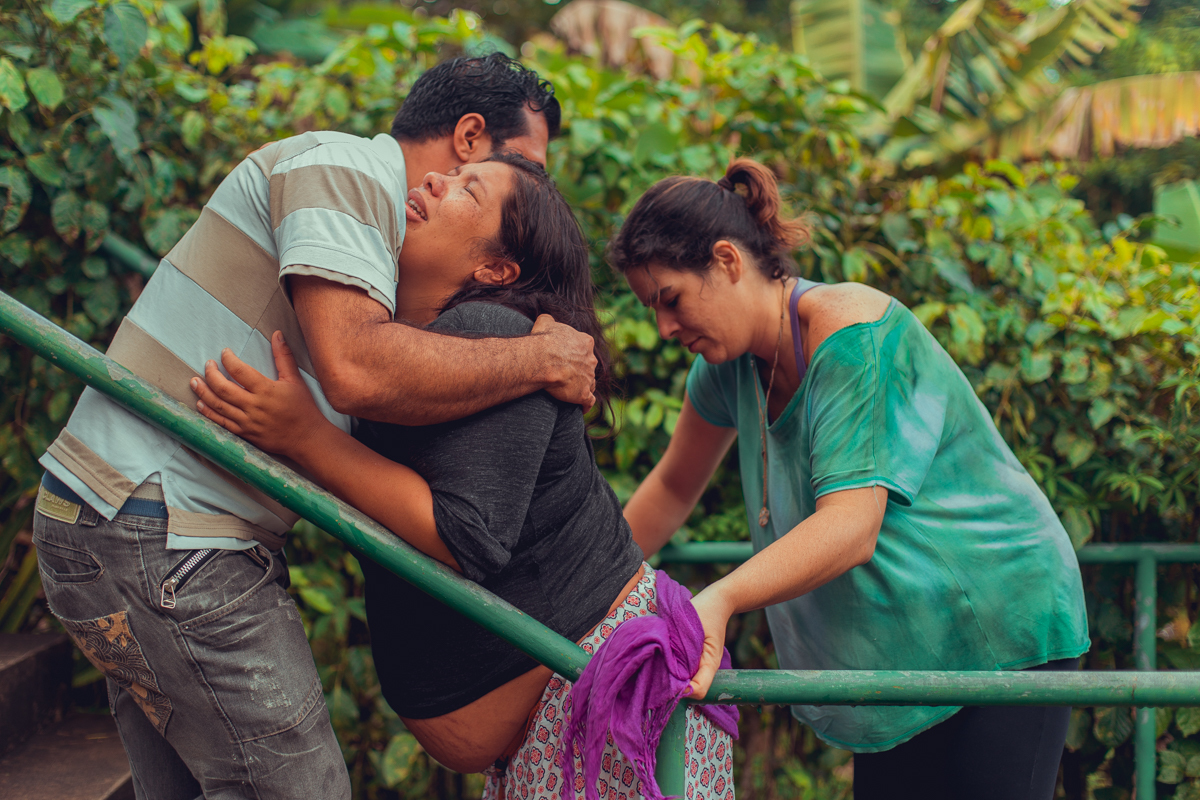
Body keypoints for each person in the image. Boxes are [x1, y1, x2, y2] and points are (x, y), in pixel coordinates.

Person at [31, 54, 597, 800]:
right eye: (517, 166)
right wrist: (537, 358)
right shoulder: (346, 172)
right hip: (162, 522)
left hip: (143, 518)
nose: (537, 191)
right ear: (467, 137)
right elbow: (355, 368)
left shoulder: (382, 254)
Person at [190, 153, 737, 800]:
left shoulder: (495, 334)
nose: (431, 180)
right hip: (565, 715)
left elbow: (466, 535)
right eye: (446, 175)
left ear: (497, 269)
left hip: (614, 702)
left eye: (465, 189)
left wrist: (305, 437)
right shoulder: (429, 352)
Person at [608, 158, 1090, 800]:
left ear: (727, 261)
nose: (665, 329)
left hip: (1002, 620)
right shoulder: (727, 370)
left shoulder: (852, 333)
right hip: (898, 657)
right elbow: (671, 489)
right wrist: (592, 598)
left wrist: (717, 599)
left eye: (671, 300)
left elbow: (850, 526)